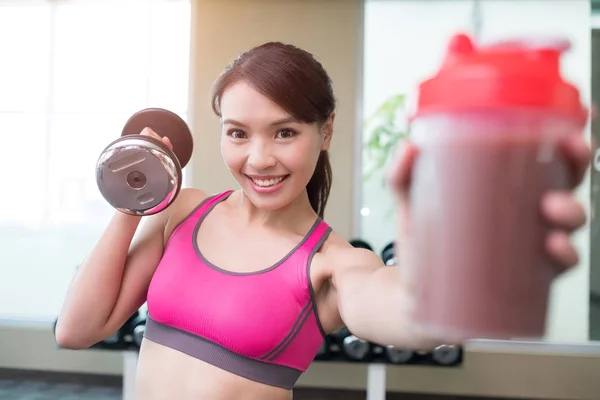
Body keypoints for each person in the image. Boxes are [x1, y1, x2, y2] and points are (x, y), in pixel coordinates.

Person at [54, 42, 590, 400]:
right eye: (238, 133)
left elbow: (414, 317)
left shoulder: (332, 265)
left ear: (324, 131)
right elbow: (77, 331)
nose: (259, 159)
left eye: (284, 133)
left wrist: (476, 264)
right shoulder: (184, 212)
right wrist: (132, 195)